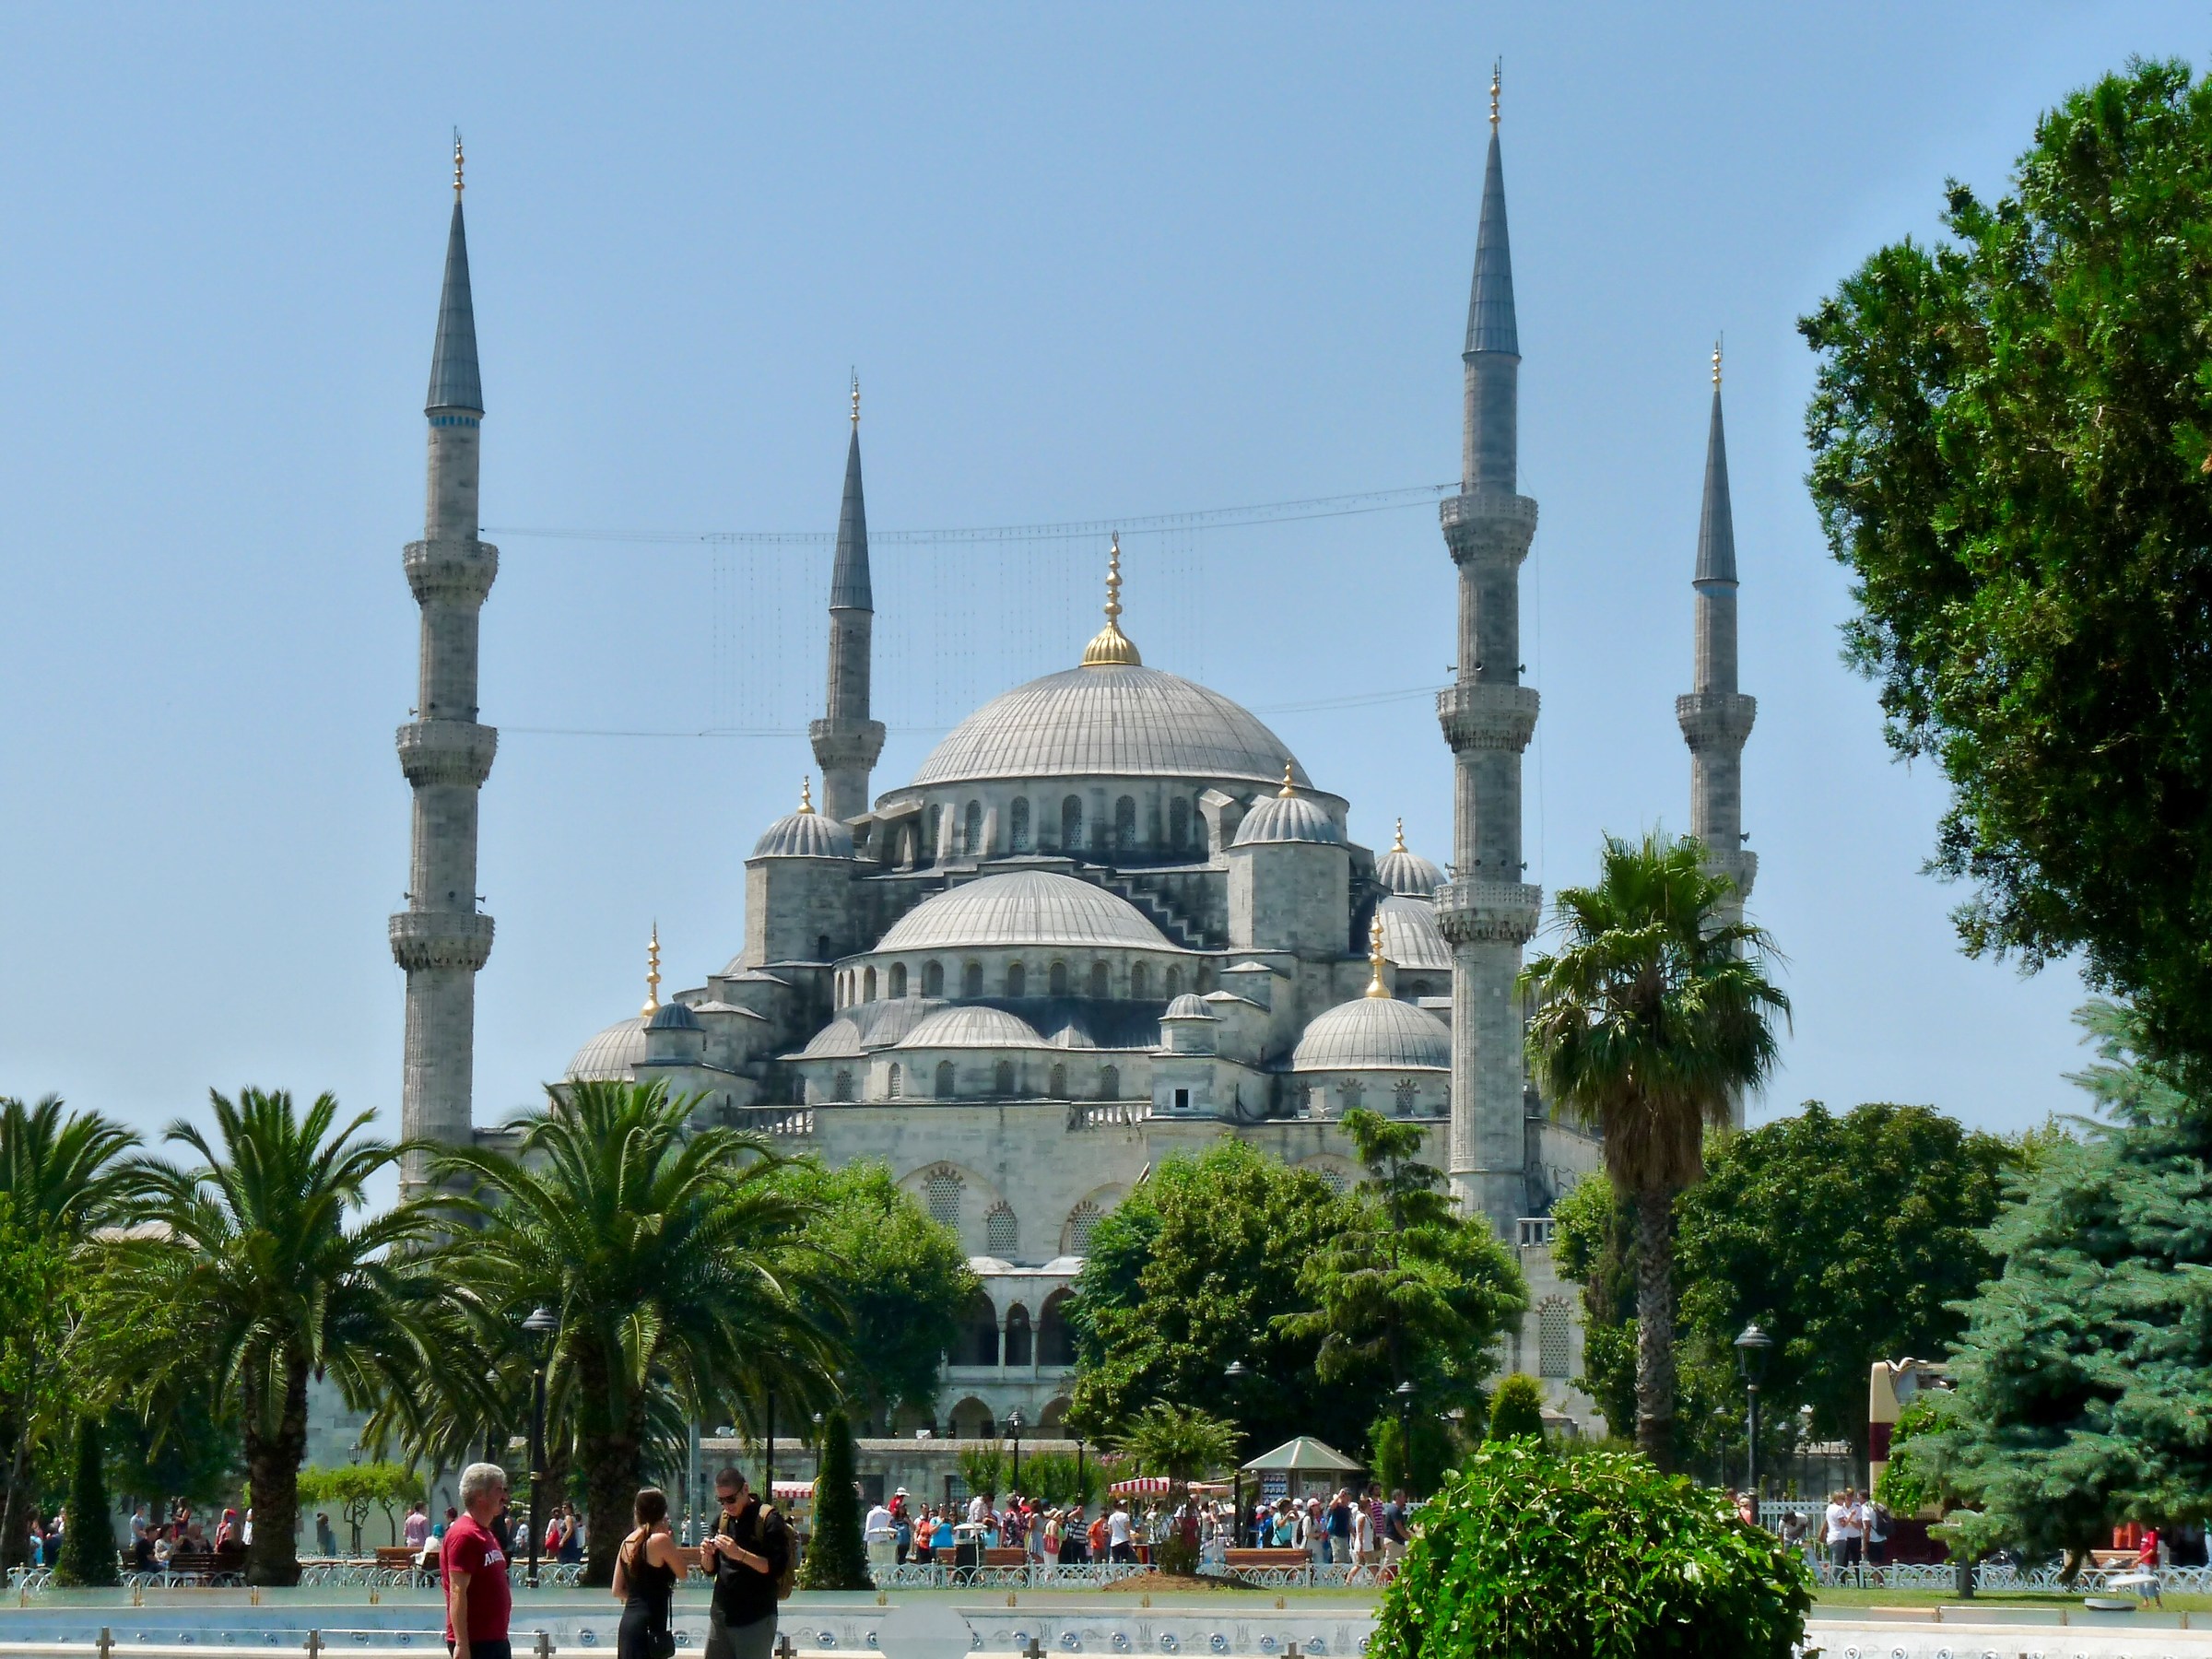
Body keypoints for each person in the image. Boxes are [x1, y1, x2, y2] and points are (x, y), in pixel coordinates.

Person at [700, 1467, 789, 1659]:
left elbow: (775, 1568)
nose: (727, 1506)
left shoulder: (768, 1519)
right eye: (721, 1501)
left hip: (755, 1619)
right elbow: (710, 1569)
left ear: (745, 1489)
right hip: (721, 1617)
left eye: (731, 1499)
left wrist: (738, 1554)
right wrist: (707, 1554)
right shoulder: (722, 1520)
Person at [442, 1463, 514, 1659]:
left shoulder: (485, 1533)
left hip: (495, 1640)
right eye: (499, 1490)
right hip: (477, 1643)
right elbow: (457, 1591)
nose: (505, 1496)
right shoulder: (464, 1535)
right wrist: (461, 1644)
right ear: (480, 1495)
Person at [612, 1487, 688, 1659]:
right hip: (650, 1628)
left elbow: (617, 1590)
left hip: (629, 1624)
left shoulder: (627, 1542)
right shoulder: (660, 1540)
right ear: (662, 1511)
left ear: (637, 1512)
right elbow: (683, 1573)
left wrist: (639, 1599)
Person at [864, 1497, 896, 1577]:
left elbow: (868, 1527)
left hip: (873, 1540)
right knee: (885, 1560)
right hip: (885, 1539)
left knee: (874, 1560)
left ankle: (875, 1576)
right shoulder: (888, 1513)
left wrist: (865, 1540)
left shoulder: (871, 1513)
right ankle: (885, 1576)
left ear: (873, 1504)